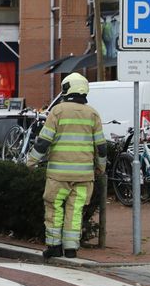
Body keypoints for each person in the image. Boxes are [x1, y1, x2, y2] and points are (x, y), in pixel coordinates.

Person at [26, 73, 107, 259]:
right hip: (84, 177)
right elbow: (101, 147)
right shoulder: (93, 114)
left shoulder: (58, 111)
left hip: (58, 176)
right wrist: (100, 168)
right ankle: (71, 249)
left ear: (67, 88)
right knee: (75, 211)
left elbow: (43, 142)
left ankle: (54, 247)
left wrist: (30, 162)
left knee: (54, 209)